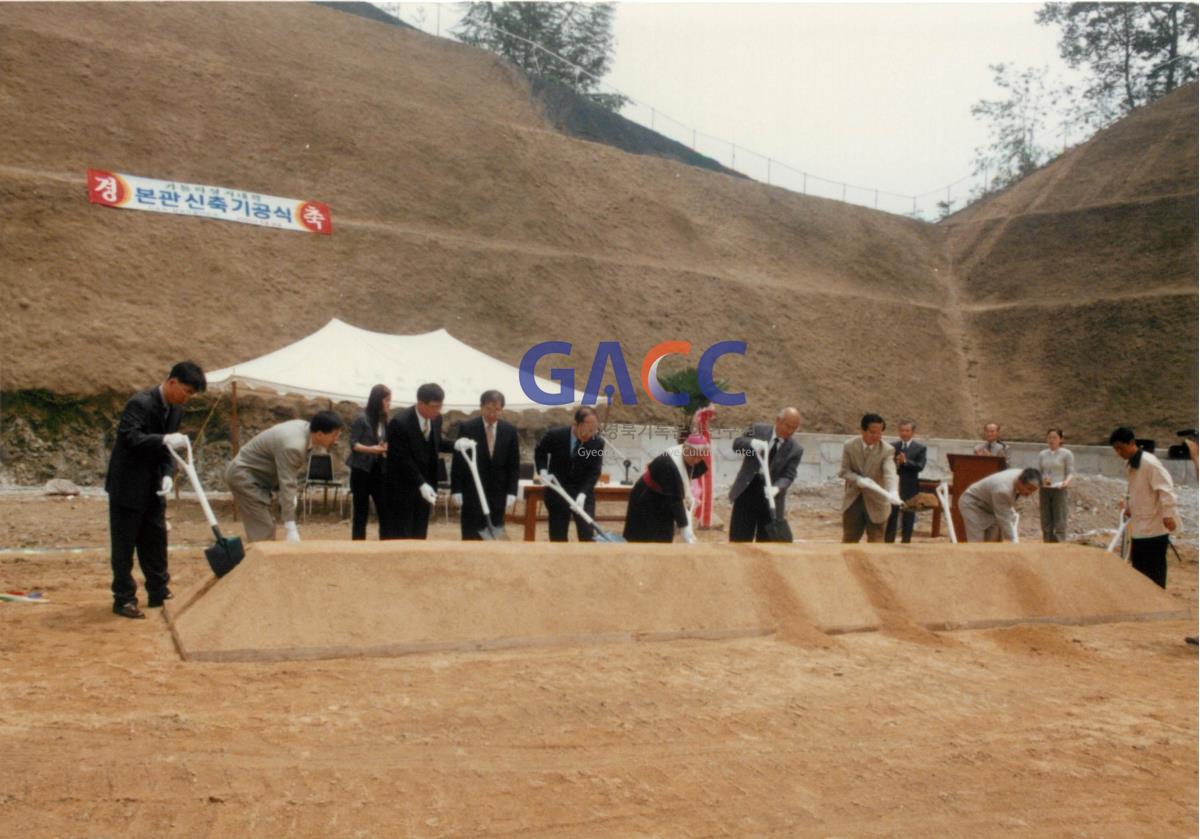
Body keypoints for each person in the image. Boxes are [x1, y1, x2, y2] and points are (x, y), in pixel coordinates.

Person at [105, 361, 206, 619]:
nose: (187, 398)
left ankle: (159, 591)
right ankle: (124, 598)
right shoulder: (140, 403)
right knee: (125, 544)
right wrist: (163, 439)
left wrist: (167, 474)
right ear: (172, 382)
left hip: (153, 486)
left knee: (156, 539)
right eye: (186, 391)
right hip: (127, 484)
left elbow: (166, 451)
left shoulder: (175, 411)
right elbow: (131, 437)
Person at [225, 411, 343, 543]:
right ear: (320, 434)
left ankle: (261, 560)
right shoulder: (293, 446)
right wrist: (291, 526)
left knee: (265, 526)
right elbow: (287, 483)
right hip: (244, 476)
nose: (336, 440)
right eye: (334, 435)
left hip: (255, 477)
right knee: (263, 529)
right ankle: (261, 563)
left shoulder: (305, 429)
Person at [1110, 427, 1178, 588]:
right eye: (1116, 449)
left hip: (1155, 529)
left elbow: (1166, 490)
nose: (1119, 452)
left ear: (1132, 443)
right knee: (1139, 573)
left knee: (1154, 574)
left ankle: (1158, 606)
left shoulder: (1150, 463)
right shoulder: (1131, 464)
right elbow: (1136, 490)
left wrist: (1169, 515)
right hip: (1139, 529)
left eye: (1121, 447)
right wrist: (1128, 507)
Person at [384, 383, 453, 539]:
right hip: (403, 488)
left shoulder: (436, 419)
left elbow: (436, 443)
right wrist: (420, 482)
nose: (437, 411)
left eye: (440, 407)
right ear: (420, 403)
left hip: (427, 487)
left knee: (420, 533)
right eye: (434, 407)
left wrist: (457, 445)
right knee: (402, 534)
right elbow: (401, 458)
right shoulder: (400, 422)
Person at [450, 390, 520, 540]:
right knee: (471, 534)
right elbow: (459, 462)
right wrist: (456, 489)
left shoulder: (509, 431)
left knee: (494, 535)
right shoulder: (467, 427)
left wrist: (512, 491)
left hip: (498, 493)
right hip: (472, 491)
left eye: (497, 410)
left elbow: (513, 465)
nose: (492, 414)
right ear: (481, 407)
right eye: (489, 409)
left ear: (502, 409)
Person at [728, 407, 802, 542]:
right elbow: (737, 446)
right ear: (778, 420)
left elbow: (788, 475)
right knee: (739, 540)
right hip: (747, 490)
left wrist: (777, 488)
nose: (790, 431)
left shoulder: (795, 449)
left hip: (770, 498)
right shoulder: (758, 430)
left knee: (766, 543)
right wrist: (751, 444)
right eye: (788, 426)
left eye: (794, 428)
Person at [533, 407, 605, 542]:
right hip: (558, 491)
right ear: (576, 424)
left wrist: (583, 494)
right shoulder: (556, 435)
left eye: (594, 429)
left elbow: (594, 471)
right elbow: (540, 451)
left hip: (582, 492)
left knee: (587, 534)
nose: (590, 433)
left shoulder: (596, 443)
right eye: (587, 428)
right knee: (558, 535)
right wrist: (542, 470)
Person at [623, 435, 709, 543]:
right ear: (686, 448)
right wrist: (685, 528)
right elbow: (676, 500)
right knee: (644, 538)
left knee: (664, 536)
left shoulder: (689, 455)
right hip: (647, 498)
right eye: (695, 456)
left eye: (700, 457)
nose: (696, 461)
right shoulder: (669, 463)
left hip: (664, 499)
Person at [840, 413, 902, 543]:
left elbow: (890, 472)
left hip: (877, 503)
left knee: (876, 542)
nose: (876, 436)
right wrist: (857, 479)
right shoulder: (850, 446)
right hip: (854, 501)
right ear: (862, 430)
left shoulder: (887, 450)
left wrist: (893, 491)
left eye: (879, 433)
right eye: (872, 432)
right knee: (849, 540)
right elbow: (844, 471)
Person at [347, 384, 391, 540]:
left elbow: (384, 441)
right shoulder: (362, 419)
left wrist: (385, 447)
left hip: (379, 469)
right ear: (377, 400)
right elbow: (353, 444)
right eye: (386, 400)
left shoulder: (384, 421)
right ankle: (358, 544)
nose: (388, 403)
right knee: (361, 511)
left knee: (384, 509)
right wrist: (372, 449)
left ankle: (386, 544)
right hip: (361, 470)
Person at [958, 467, 1041, 543]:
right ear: (1021, 482)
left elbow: (1006, 511)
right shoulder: (1003, 490)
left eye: (1033, 491)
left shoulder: (1021, 474)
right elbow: (1004, 518)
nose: (1029, 493)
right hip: (972, 504)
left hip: (989, 506)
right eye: (1029, 489)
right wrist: (1013, 541)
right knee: (977, 540)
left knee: (992, 539)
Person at [885, 419, 926, 543]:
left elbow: (920, 466)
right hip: (894, 485)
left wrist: (906, 462)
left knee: (908, 516)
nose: (904, 433)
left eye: (907, 430)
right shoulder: (892, 446)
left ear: (912, 432)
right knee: (892, 515)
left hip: (910, 486)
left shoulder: (920, 448)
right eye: (902, 430)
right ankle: (888, 542)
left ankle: (906, 541)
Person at [1038, 428, 1075, 543]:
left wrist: (1066, 483)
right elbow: (1040, 471)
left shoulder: (1066, 454)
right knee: (1045, 517)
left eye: (1055, 437)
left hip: (1059, 488)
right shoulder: (1042, 454)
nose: (1052, 440)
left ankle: (1060, 542)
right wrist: (1040, 481)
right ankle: (1047, 541)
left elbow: (1070, 472)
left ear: (1061, 439)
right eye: (1049, 437)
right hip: (1045, 488)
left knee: (1059, 516)